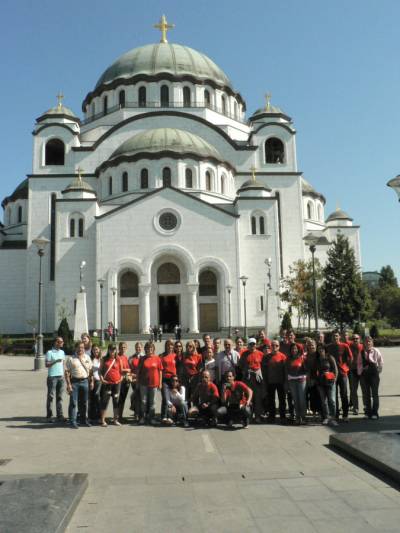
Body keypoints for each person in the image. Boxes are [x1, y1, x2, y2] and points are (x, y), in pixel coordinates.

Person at [65, 341, 94, 429]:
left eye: (82, 347)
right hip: (74, 382)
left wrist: (91, 381)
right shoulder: (71, 358)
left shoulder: (87, 357)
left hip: (85, 381)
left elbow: (91, 370)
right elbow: (67, 372)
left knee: (84, 402)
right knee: (73, 402)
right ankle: (72, 421)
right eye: (79, 347)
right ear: (76, 348)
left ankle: (83, 420)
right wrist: (68, 384)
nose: (81, 349)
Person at [327, 331, 352, 422]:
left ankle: (345, 415)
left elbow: (350, 357)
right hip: (332, 374)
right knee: (334, 395)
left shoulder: (344, 346)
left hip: (342, 374)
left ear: (339, 337)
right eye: (333, 336)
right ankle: (336, 414)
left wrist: (346, 367)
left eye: (337, 336)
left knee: (344, 394)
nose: (335, 337)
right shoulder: (328, 347)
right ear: (331, 338)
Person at [238, 338, 264, 423]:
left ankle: (257, 416)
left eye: (253, 344)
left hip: (257, 379)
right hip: (247, 378)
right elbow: (240, 365)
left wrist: (258, 373)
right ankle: (249, 415)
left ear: (255, 345)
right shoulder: (244, 354)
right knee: (248, 397)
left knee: (257, 398)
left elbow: (263, 366)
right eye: (250, 344)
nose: (252, 346)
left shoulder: (260, 354)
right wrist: (246, 371)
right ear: (248, 345)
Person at [137, 341, 162, 424]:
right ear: (145, 349)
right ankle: (142, 417)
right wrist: (137, 382)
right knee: (143, 401)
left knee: (152, 402)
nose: (149, 349)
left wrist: (160, 383)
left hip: (154, 383)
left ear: (153, 349)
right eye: (148, 348)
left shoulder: (157, 358)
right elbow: (138, 371)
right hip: (143, 383)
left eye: (151, 348)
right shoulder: (142, 358)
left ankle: (152, 418)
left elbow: (160, 371)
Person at [313, 344, 338, 426]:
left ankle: (333, 418)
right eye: (319, 349)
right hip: (320, 382)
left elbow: (335, 370)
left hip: (330, 381)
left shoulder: (330, 357)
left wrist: (334, 379)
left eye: (322, 349)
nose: (320, 350)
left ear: (325, 349)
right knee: (324, 401)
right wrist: (316, 379)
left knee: (332, 401)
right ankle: (326, 417)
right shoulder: (317, 359)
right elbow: (314, 371)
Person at [359, 336, 383, 420]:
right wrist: (361, 371)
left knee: (374, 394)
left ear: (372, 342)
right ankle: (367, 412)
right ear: (364, 343)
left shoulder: (376, 351)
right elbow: (359, 363)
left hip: (374, 374)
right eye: (366, 341)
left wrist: (378, 371)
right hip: (364, 375)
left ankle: (375, 413)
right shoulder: (361, 352)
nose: (368, 343)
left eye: (369, 341)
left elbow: (380, 362)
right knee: (366, 395)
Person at [99, 344, 123, 426]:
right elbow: (100, 371)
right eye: (111, 350)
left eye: (114, 350)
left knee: (116, 402)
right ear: (108, 350)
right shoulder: (104, 359)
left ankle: (115, 420)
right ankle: (103, 420)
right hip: (107, 384)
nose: (112, 351)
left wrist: (121, 379)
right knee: (105, 402)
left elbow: (121, 371)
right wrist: (102, 379)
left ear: (115, 351)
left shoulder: (118, 359)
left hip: (116, 384)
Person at [263, 339, 287, 423]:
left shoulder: (283, 356)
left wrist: (286, 382)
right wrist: (265, 381)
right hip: (270, 381)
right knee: (271, 400)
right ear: (270, 347)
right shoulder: (266, 357)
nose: (274, 347)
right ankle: (271, 416)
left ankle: (283, 416)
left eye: (276, 345)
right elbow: (264, 370)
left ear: (279, 347)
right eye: (272, 345)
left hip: (281, 381)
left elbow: (286, 370)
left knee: (282, 399)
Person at [285, 343, 308, 424]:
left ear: (298, 349)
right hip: (292, 381)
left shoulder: (303, 358)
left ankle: (303, 417)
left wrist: (305, 377)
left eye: (295, 348)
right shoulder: (288, 359)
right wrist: (287, 383)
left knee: (301, 399)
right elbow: (286, 371)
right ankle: (298, 417)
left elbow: (307, 369)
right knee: (295, 400)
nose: (294, 350)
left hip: (301, 381)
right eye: (292, 349)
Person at [45, 336, 66, 422]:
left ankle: (60, 415)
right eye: (60, 341)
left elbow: (63, 364)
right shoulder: (49, 352)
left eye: (62, 341)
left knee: (60, 396)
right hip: (52, 377)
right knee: (51, 396)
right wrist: (55, 361)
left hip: (61, 376)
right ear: (56, 342)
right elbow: (46, 364)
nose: (62, 343)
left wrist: (65, 374)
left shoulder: (62, 352)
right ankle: (49, 416)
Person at [160, 339, 177, 423]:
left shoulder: (176, 356)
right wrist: (159, 382)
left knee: (172, 398)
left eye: (171, 345)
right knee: (165, 397)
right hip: (165, 379)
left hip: (173, 380)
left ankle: (170, 417)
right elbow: (159, 370)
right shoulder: (162, 356)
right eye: (168, 345)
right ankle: (164, 416)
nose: (170, 347)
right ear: (165, 346)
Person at [181, 341, 202, 406]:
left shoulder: (198, 356)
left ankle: (196, 411)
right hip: (185, 378)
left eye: (190, 346)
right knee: (186, 395)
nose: (188, 348)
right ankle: (187, 411)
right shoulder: (184, 355)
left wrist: (197, 378)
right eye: (187, 346)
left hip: (194, 378)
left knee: (195, 395)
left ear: (193, 347)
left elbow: (199, 369)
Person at [117, 342, 132, 423]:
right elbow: (120, 369)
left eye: (124, 347)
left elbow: (127, 368)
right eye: (121, 347)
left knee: (122, 399)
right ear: (119, 348)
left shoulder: (125, 357)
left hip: (125, 381)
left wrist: (129, 373)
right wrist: (128, 370)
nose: (123, 349)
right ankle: (117, 417)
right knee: (118, 399)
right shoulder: (117, 357)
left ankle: (120, 416)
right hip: (119, 380)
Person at [349, 333, 364, 415]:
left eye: (357, 338)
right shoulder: (349, 346)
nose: (355, 340)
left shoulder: (363, 346)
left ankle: (366, 407)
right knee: (353, 390)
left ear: (360, 339)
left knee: (364, 390)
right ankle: (356, 408)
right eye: (354, 338)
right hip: (353, 370)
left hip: (362, 372)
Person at [128, 342, 143, 420]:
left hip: (143, 381)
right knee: (137, 396)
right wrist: (131, 376)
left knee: (141, 397)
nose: (138, 348)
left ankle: (139, 413)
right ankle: (137, 413)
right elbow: (129, 369)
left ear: (142, 348)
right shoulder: (131, 358)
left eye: (139, 347)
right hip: (134, 381)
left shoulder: (144, 357)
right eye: (137, 347)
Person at [88, 345, 102, 423]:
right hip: (92, 380)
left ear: (99, 350)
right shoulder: (90, 359)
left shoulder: (102, 359)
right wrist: (92, 381)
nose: (95, 351)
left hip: (100, 381)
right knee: (91, 399)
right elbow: (90, 371)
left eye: (96, 349)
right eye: (93, 350)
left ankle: (99, 416)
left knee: (98, 397)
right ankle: (91, 417)